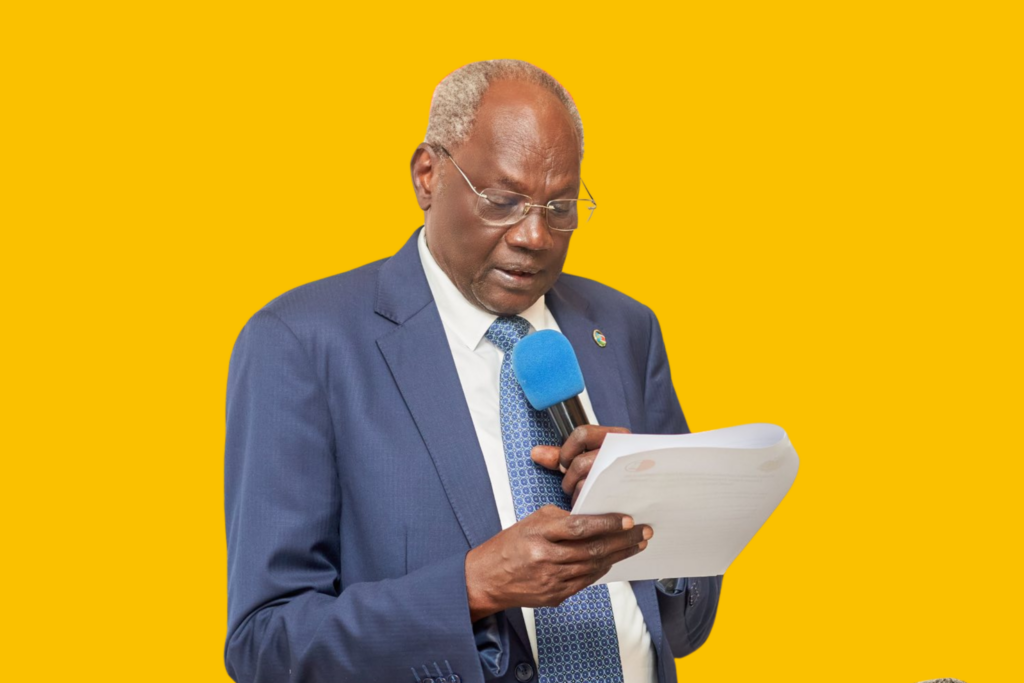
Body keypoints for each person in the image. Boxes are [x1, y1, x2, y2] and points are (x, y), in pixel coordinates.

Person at [224, 59, 722, 683]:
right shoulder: (302, 344)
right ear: (428, 176)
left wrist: (652, 522)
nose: (535, 235)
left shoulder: (624, 328)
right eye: (504, 201)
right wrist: (472, 587)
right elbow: (266, 644)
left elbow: (684, 625)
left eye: (560, 206)